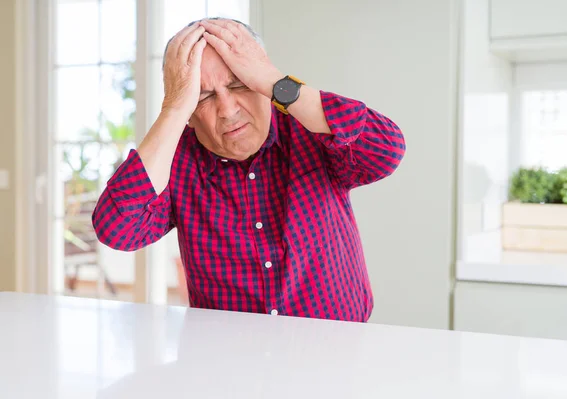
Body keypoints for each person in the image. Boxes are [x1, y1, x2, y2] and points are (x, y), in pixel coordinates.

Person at [92, 17, 406, 322]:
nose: (228, 110)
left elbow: (386, 149)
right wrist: (173, 110)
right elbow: (118, 230)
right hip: (226, 360)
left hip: (337, 349)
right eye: (203, 96)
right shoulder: (177, 161)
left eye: (239, 83)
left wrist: (278, 84)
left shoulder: (310, 129)